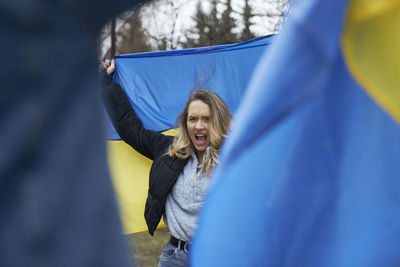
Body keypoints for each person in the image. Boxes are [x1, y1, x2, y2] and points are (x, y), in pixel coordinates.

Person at [100, 59, 232, 267]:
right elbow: (130, 129)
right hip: (175, 258)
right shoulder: (169, 150)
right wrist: (106, 83)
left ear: (217, 122)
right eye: (192, 119)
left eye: (206, 119)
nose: (199, 126)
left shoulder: (233, 157)